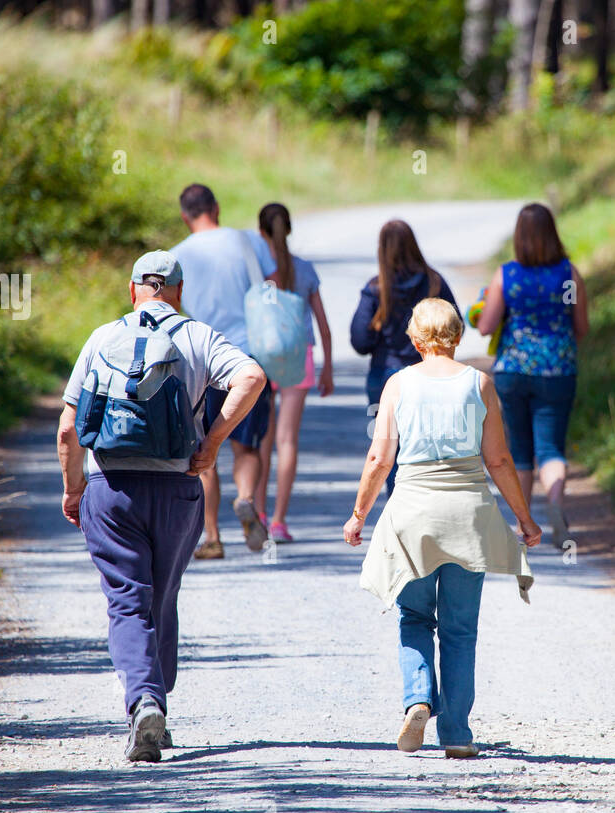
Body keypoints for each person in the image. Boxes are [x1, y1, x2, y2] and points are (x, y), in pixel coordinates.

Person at [57, 251, 266, 762]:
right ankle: (157, 707)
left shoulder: (103, 337)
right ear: (177, 291)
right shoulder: (197, 336)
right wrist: (212, 443)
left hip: (110, 488)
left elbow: (67, 429)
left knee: (128, 600)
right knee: (162, 596)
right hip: (178, 488)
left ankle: (145, 702)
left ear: (133, 290)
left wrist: (72, 489)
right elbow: (252, 378)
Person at [344, 298, 541, 759]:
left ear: (414, 340)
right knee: (459, 628)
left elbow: (379, 459)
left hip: (412, 515)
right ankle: (456, 732)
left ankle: (417, 700)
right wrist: (524, 518)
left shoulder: (398, 384)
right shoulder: (480, 384)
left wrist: (358, 515)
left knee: (414, 617)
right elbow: (498, 460)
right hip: (468, 515)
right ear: (458, 337)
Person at [475, 203, 588, 549]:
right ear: (553, 233)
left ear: (519, 237)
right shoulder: (569, 274)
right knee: (551, 447)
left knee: (520, 449)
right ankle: (555, 507)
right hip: (558, 369)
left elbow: (486, 326)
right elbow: (581, 328)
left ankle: (524, 526)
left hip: (513, 369)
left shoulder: (507, 275)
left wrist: (482, 307)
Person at [171, 183, 272, 559]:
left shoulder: (176, 256)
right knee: (247, 444)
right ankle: (246, 499)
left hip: (201, 358)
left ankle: (211, 537)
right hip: (247, 357)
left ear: (185, 215)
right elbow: (265, 292)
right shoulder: (245, 241)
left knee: (203, 446)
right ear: (217, 207)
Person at [246, 202, 334, 543]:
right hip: (301, 355)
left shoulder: (260, 272)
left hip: (265, 357)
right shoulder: (306, 270)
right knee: (288, 440)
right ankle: (280, 521)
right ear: (290, 229)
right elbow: (323, 326)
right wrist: (327, 370)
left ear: (262, 232)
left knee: (263, 440)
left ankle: (260, 513)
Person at [349, 220, 456, 495]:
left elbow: (360, 341)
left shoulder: (376, 289)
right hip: (431, 375)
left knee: (387, 450)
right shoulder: (435, 283)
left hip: (385, 377)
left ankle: (399, 507)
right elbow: (455, 326)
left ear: (382, 249)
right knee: (429, 448)